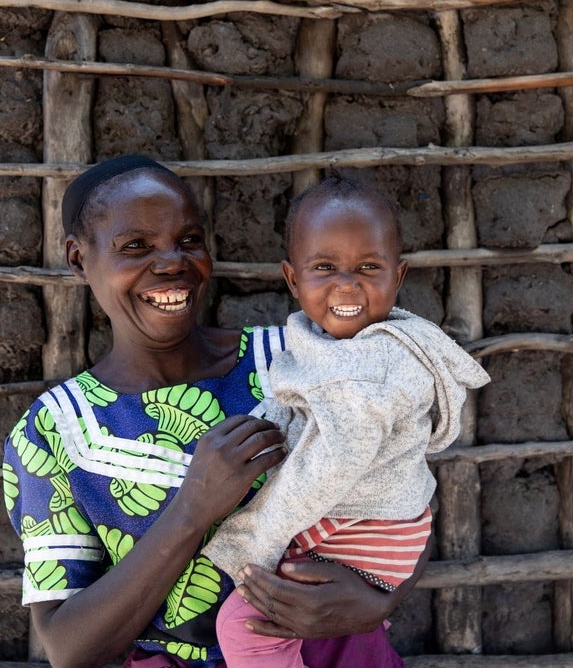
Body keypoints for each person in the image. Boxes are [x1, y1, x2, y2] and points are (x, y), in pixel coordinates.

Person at [2, 156, 430, 667]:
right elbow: (69, 648)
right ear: (77, 258)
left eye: (188, 240)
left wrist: (381, 602)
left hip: (341, 654)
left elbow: (404, 490)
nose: (170, 262)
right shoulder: (53, 432)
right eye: (136, 246)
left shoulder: (300, 357)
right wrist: (192, 510)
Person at [202, 175, 489, 666]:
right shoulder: (331, 348)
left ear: (397, 278)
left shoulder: (371, 367)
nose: (347, 283)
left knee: (243, 626)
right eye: (325, 267)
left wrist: (263, 532)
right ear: (293, 279)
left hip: (366, 530)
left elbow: (337, 459)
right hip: (385, 529)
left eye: (368, 267)